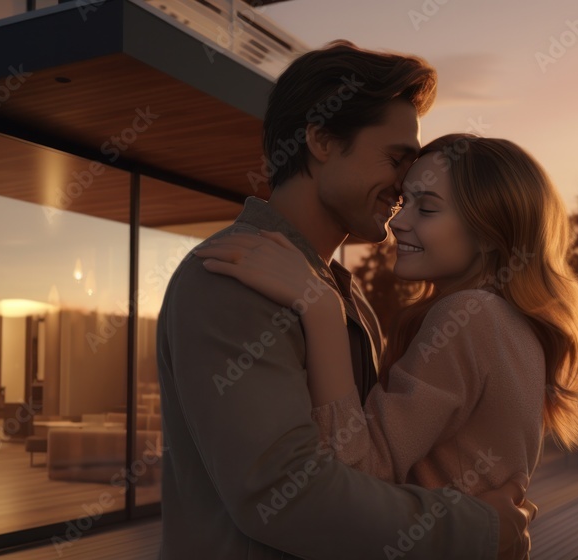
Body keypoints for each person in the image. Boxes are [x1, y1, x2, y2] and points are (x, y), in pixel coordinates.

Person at [157, 41, 534, 559]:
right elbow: (286, 497)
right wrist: (476, 529)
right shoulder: (232, 277)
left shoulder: (344, 294)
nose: (405, 185)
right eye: (396, 159)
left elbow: (369, 468)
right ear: (322, 140)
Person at [196, 133, 578, 544]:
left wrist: (320, 310)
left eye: (426, 208)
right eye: (403, 202)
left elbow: (357, 475)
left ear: (488, 234)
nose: (398, 221)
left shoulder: (469, 316)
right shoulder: (510, 323)